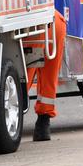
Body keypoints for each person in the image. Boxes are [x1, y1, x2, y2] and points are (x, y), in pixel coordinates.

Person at [25, 10, 66, 141]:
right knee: (49, 78)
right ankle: (43, 125)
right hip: (54, 22)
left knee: (23, 77)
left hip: (34, 27)